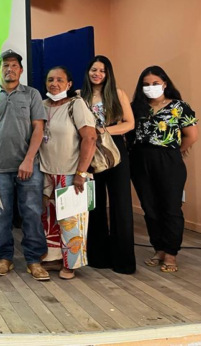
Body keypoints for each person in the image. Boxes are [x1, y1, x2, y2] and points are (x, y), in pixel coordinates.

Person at [0, 49, 50, 281]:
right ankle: (4, 258)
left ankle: (34, 260)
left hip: (29, 166)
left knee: (32, 213)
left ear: (21, 70)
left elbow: (39, 129)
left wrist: (28, 160)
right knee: (2, 214)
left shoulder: (32, 94)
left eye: (14, 65)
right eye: (5, 65)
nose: (10, 69)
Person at [129, 66, 198, 273]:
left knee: (171, 207)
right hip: (140, 159)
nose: (150, 87)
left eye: (155, 83)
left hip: (169, 160)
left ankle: (170, 253)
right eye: (146, 84)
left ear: (165, 84)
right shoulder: (136, 107)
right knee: (149, 208)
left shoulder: (179, 106)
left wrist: (174, 153)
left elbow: (191, 135)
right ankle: (158, 249)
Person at [80, 56, 136, 274]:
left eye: (102, 71)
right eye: (94, 69)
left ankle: (123, 261)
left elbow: (129, 123)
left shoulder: (118, 94)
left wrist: (102, 131)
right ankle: (98, 257)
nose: (97, 74)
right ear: (88, 71)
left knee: (121, 204)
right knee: (94, 205)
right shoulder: (79, 95)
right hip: (89, 152)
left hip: (114, 151)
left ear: (108, 74)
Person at [39, 67, 96, 279]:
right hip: (46, 172)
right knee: (49, 220)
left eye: (59, 80)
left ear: (69, 84)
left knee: (71, 222)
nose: (54, 84)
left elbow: (90, 138)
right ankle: (53, 259)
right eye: (50, 79)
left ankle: (70, 265)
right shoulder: (42, 105)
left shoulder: (76, 104)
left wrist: (81, 173)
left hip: (71, 172)